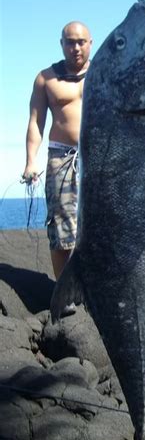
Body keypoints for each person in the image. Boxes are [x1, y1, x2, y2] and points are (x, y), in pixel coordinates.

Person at [23, 21, 92, 280]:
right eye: (70, 42)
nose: (76, 48)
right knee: (61, 226)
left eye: (81, 42)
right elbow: (35, 123)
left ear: (90, 44)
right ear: (61, 44)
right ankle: (63, 291)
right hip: (62, 158)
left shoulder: (103, 73)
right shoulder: (46, 79)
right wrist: (31, 162)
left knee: (100, 224)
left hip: (98, 158)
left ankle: (94, 289)